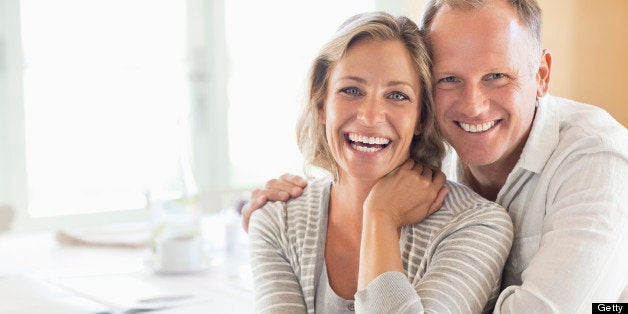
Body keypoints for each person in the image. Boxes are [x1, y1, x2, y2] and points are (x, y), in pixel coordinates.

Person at [243, 0, 628, 313]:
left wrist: (379, 218)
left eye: (496, 76)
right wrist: (273, 214)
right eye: (449, 79)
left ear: (542, 75)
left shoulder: (598, 163)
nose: (473, 106)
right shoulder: (440, 146)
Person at [248, 12, 514, 313]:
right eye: (351, 90)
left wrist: (380, 217)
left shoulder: (476, 225)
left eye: (397, 96)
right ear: (323, 104)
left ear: (421, 118)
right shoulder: (277, 220)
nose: (370, 116)